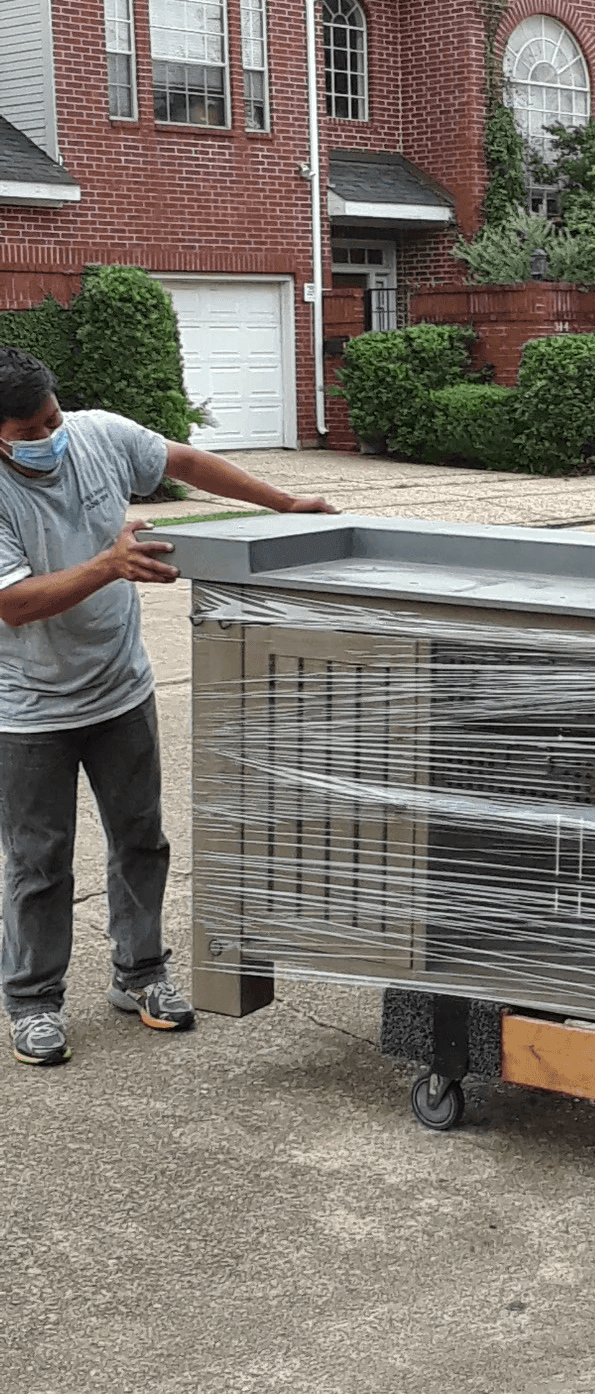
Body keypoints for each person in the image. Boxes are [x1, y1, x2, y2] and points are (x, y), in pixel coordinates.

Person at [0, 348, 337, 1067]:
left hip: (120, 686)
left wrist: (283, 503)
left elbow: (182, 460)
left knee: (141, 840)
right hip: (27, 711)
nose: (48, 436)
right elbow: (11, 604)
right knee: (40, 859)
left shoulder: (97, 434)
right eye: (29, 432)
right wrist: (108, 565)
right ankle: (33, 1001)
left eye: (51, 418)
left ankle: (141, 974)